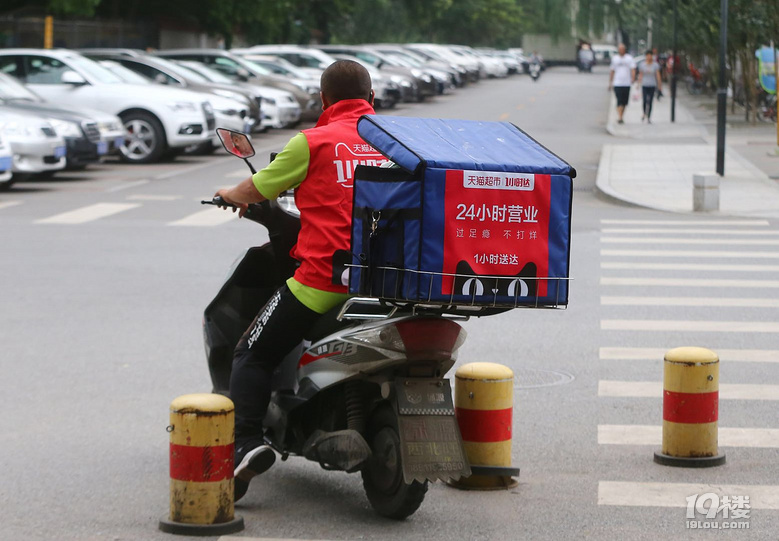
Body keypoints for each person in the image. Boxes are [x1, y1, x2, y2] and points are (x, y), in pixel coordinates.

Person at [213, 60, 384, 502]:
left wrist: (231, 195)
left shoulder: (314, 141)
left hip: (324, 283)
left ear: (324, 100)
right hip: (394, 284)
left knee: (251, 352)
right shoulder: (401, 143)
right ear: (371, 98)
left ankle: (246, 443)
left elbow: (258, 189)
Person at [608, 43, 636, 124]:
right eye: (620, 49)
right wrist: (610, 82)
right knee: (619, 100)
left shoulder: (629, 58)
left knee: (624, 102)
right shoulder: (615, 59)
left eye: (622, 49)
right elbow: (612, 70)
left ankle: (621, 115)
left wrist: (633, 78)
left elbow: (633, 69)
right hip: (617, 83)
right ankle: (620, 117)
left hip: (626, 83)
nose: (621, 51)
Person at [638, 50, 663, 123]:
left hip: (652, 84)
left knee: (650, 101)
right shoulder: (642, 65)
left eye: (650, 55)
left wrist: (659, 85)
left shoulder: (655, 65)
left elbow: (658, 76)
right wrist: (638, 83)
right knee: (645, 100)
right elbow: (641, 74)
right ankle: (644, 113)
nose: (649, 57)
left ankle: (649, 116)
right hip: (644, 84)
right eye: (648, 55)